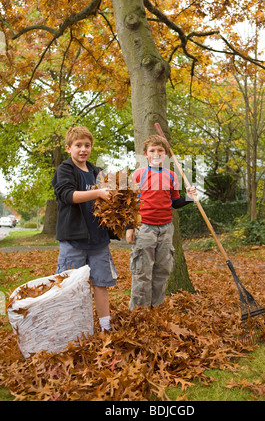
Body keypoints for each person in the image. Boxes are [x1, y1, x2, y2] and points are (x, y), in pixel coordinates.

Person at [52, 126, 117, 332]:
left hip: (98, 241)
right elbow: (68, 195)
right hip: (74, 241)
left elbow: (113, 198)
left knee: (101, 284)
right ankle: (70, 328)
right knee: (69, 287)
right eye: (78, 145)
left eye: (87, 145)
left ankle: (105, 327)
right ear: (68, 147)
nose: (83, 149)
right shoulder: (65, 170)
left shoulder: (98, 172)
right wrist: (98, 193)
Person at [125, 134, 197, 310]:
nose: (156, 153)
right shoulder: (138, 175)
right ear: (146, 154)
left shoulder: (171, 176)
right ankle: (139, 312)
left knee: (162, 271)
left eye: (160, 150)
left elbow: (174, 202)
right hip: (144, 227)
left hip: (165, 229)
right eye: (152, 150)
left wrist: (190, 197)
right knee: (142, 271)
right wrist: (129, 228)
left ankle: (156, 308)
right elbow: (129, 204)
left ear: (165, 154)